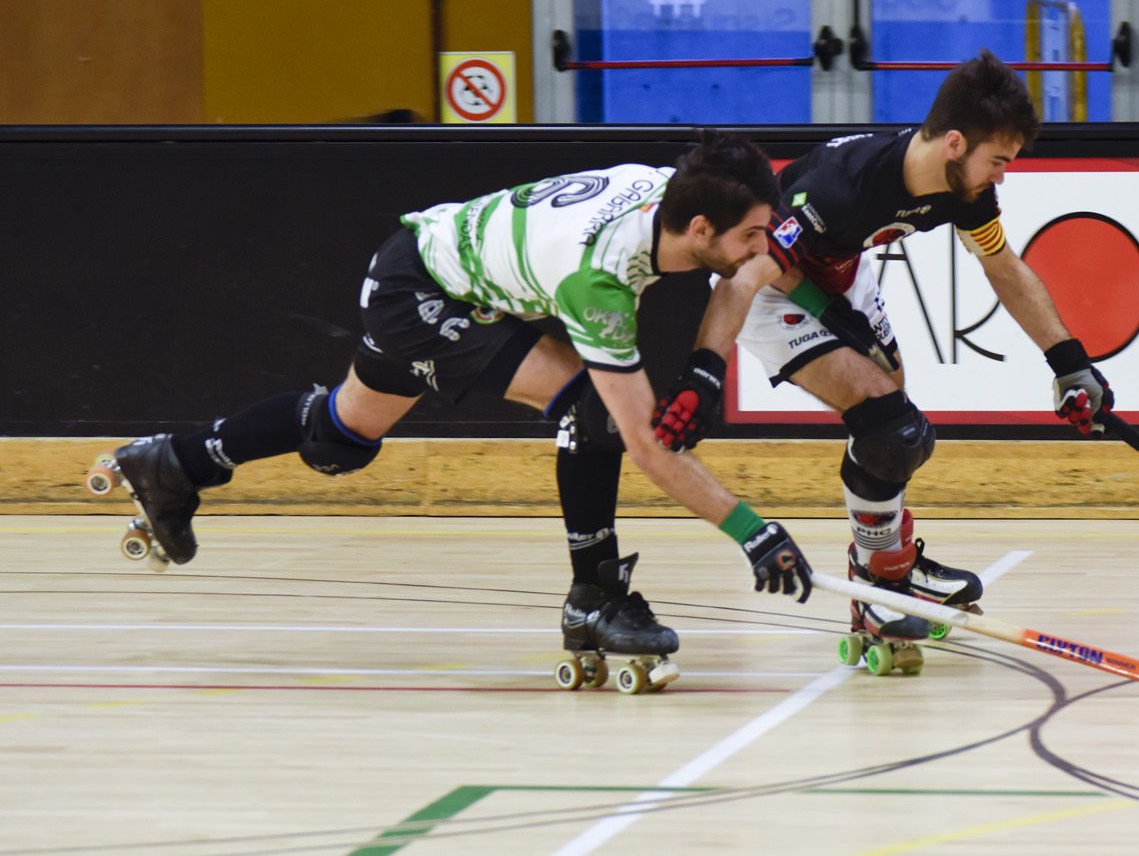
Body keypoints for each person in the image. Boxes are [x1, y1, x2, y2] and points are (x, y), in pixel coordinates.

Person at [93, 130, 813, 688]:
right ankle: (593, 598)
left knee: (341, 437)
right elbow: (648, 443)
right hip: (424, 293)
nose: (761, 248)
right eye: (750, 235)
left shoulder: (679, 196)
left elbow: (743, 275)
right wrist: (753, 530)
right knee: (593, 411)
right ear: (697, 231)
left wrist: (702, 371)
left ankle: (173, 464)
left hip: (431, 267)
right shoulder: (599, 275)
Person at [650, 51, 1113, 650]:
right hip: (774, 291)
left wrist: (1069, 362)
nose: (1002, 176)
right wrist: (706, 373)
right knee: (888, 429)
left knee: (901, 435)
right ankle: (876, 585)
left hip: (844, 278)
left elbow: (1001, 264)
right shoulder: (839, 189)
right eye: (997, 162)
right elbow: (747, 278)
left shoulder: (962, 190)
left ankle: (892, 556)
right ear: (954, 143)